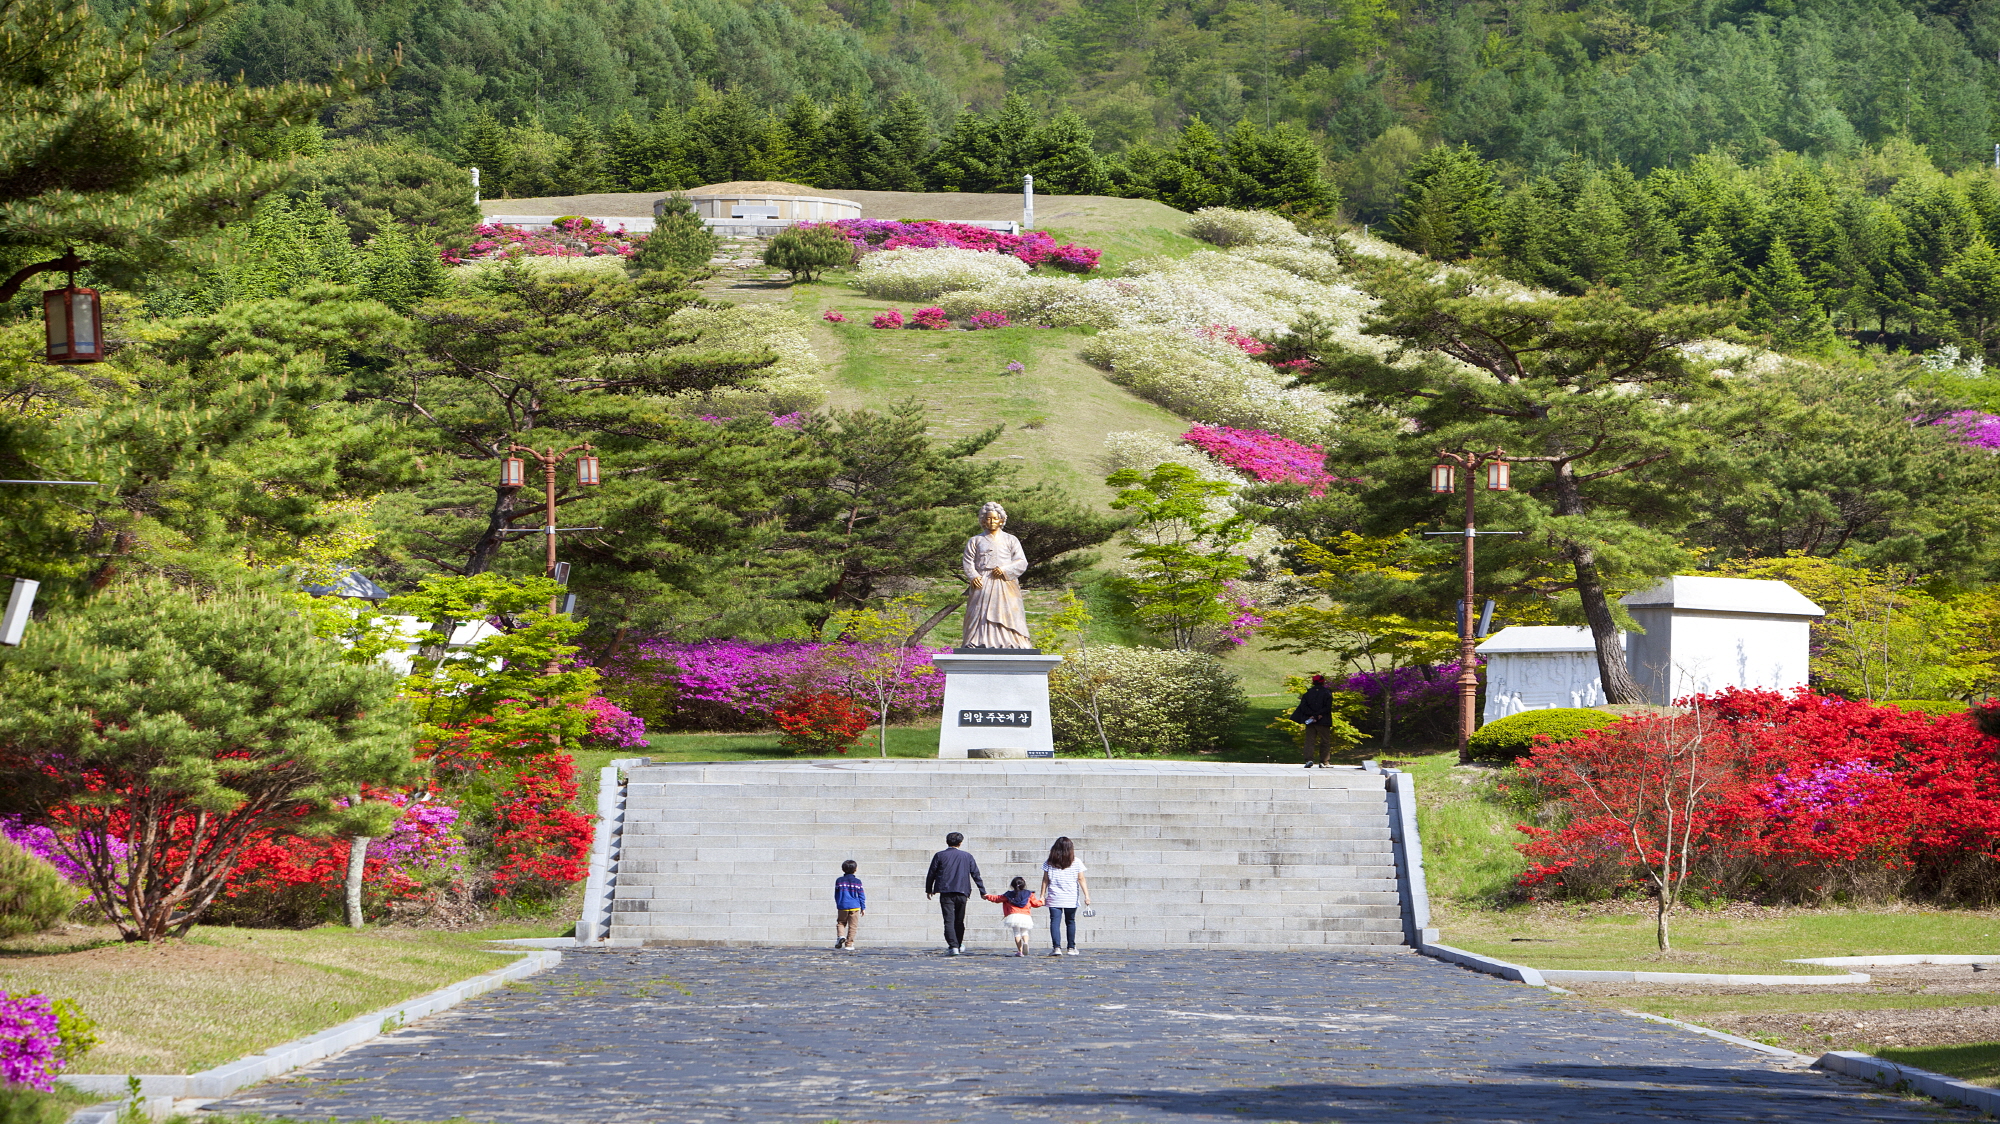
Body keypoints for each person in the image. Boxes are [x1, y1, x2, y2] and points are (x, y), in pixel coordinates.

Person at [960, 501, 1032, 649]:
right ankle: (978, 641)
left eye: (994, 518)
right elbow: (968, 561)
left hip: (1005, 582)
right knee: (979, 611)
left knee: (1009, 610)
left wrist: (1005, 569)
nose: (991, 521)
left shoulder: (1011, 539)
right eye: (988, 518)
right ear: (983, 520)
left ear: (1001, 519)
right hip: (983, 581)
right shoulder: (975, 540)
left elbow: (1021, 561)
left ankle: (1012, 641)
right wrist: (974, 576)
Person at [924, 831, 986, 955]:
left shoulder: (940, 855)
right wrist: (982, 891)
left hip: (946, 891)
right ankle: (958, 943)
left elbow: (932, 873)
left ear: (947, 841)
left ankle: (953, 946)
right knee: (959, 920)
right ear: (960, 842)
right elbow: (975, 874)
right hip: (963, 891)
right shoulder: (967, 856)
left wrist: (929, 889)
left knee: (948, 920)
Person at [1038, 835, 1090, 956]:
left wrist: (1042, 895)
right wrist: (1087, 895)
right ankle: (1071, 948)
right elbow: (1081, 879)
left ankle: (1056, 948)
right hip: (1070, 897)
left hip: (1054, 897)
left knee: (1055, 922)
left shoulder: (1049, 862)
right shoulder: (1076, 862)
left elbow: (1045, 880)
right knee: (1070, 921)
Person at [983, 876, 1044, 957]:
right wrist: (1042, 901)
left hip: (1014, 916)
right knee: (1025, 932)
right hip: (1025, 915)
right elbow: (1036, 904)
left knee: (1016, 933)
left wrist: (987, 896)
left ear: (1013, 885)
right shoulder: (1029, 894)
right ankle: (1026, 942)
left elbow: (997, 898)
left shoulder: (1009, 895)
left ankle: (1020, 951)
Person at [1292, 674, 1335, 768]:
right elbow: (1328, 707)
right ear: (1323, 682)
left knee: (1309, 741)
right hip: (1323, 720)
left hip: (1310, 720)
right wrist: (1318, 715)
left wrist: (1312, 716)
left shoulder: (1308, 693)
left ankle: (1309, 760)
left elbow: (1303, 707)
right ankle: (1324, 761)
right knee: (1325, 741)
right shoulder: (1327, 693)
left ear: (1313, 682)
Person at [833, 859, 865, 950]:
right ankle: (849, 944)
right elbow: (861, 895)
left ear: (843, 869)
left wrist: (838, 904)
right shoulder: (857, 881)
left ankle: (841, 936)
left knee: (841, 922)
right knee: (853, 925)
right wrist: (863, 907)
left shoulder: (839, 880)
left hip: (843, 905)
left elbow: (836, 894)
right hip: (855, 905)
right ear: (855, 869)